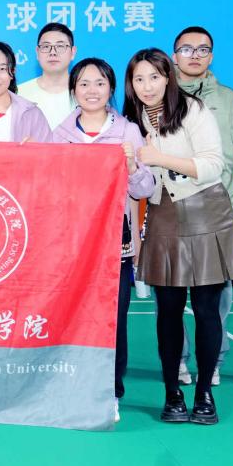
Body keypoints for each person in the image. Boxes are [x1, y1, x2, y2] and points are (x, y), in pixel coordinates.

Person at [123, 48, 233, 425]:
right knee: (168, 311)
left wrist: (159, 158)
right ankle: (172, 394)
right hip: (162, 216)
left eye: (154, 77)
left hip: (205, 212)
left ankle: (205, 393)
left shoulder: (193, 110)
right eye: (139, 79)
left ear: (169, 77)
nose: (147, 86)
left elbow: (214, 165)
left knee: (207, 310)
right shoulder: (131, 119)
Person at [52, 58, 154, 423]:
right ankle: (70, 383)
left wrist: (131, 166)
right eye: (83, 83)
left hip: (115, 246)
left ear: (111, 88)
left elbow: (146, 188)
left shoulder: (128, 132)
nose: (91, 90)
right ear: (73, 90)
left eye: (99, 83)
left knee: (113, 319)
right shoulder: (60, 134)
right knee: (71, 314)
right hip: (73, 246)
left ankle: (111, 388)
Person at [171, 26, 233, 388]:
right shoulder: (158, 95)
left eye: (202, 49)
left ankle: (212, 360)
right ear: (175, 56)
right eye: (186, 49)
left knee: (217, 296)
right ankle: (178, 359)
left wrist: (225, 197)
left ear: (211, 56)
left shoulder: (230, 100)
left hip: (218, 210)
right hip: (172, 209)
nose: (194, 55)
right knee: (171, 293)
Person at [17, 22, 77, 130]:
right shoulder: (19, 94)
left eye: (60, 46)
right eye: (46, 46)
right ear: (37, 52)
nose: (53, 52)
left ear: (73, 52)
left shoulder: (86, 94)